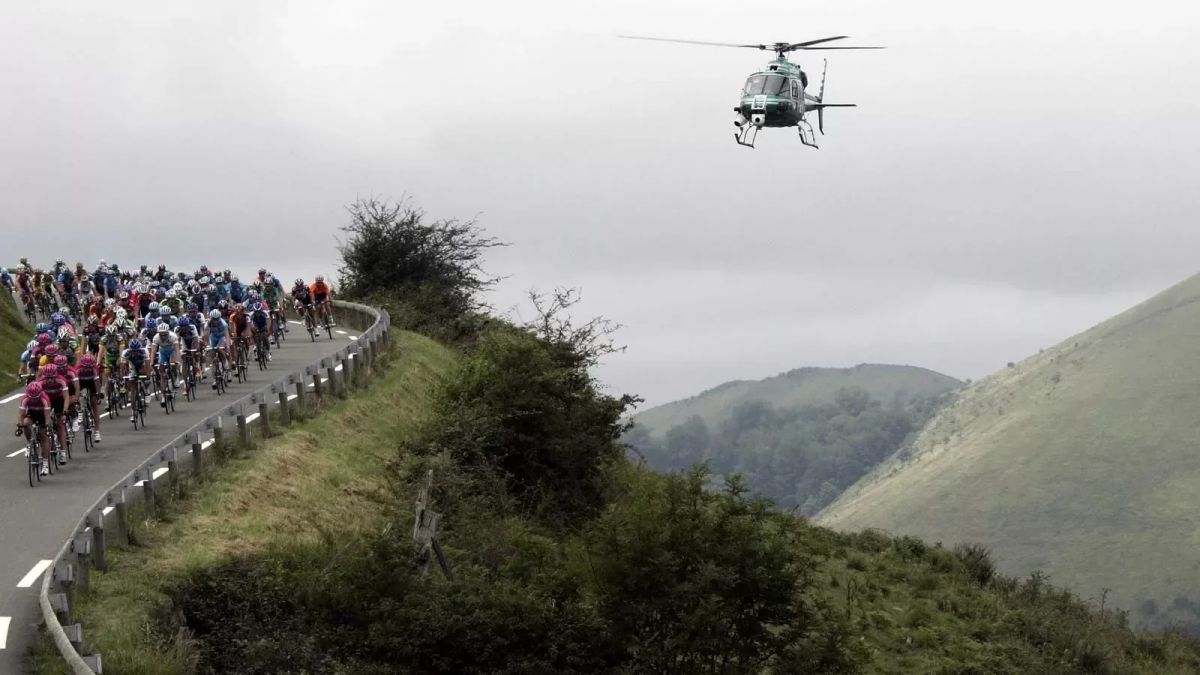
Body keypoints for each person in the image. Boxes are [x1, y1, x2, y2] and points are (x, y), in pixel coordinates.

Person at [15, 381, 52, 476]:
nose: (34, 400)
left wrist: (47, 427)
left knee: (43, 436)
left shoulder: (45, 398)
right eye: (32, 398)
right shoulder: (25, 398)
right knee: (26, 423)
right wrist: (19, 426)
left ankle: (45, 463)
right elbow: (21, 414)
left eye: (36, 397)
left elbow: (47, 416)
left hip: (42, 415)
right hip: (32, 413)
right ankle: (29, 443)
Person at [39, 363, 73, 465]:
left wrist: (65, 410)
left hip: (59, 400)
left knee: (60, 425)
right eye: (47, 377)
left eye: (52, 377)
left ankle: (63, 452)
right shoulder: (41, 382)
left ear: (56, 375)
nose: (49, 380)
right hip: (46, 400)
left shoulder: (61, 380)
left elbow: (66, 397)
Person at [76, 353, 102, 443]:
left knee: (94, 403)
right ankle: (80, 411)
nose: (87, 369)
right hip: (81, 382)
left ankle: (97, 431)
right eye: (85, 367)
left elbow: (97, 382)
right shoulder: (78, 370)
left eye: (89, 367)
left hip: (91, 383)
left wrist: (98, 394)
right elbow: (76, 385)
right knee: (78, 397)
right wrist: (77, 395)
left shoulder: (94, 369)